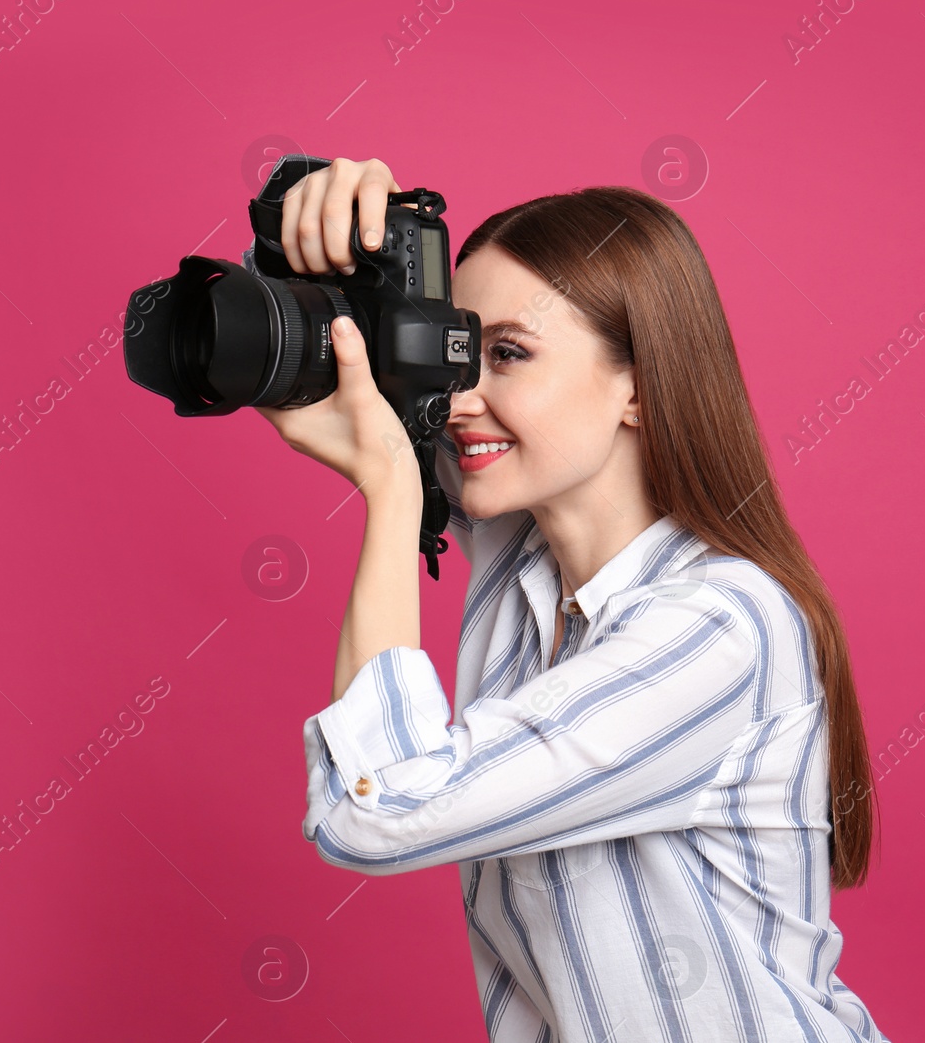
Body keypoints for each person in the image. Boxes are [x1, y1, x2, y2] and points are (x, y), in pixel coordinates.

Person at [256, 157, 892, 1042]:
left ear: (637, 383)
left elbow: (377, 810)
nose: (462, 394)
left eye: (509, 353)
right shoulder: (524, 564)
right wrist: (307, 211)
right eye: (458, 350)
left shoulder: (720, 626)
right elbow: (363, 386)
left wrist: (390, 492)